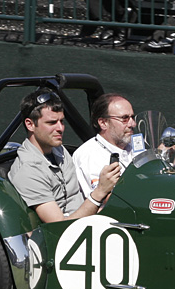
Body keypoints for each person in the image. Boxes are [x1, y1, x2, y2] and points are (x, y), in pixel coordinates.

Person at [8, 90, 121, 222]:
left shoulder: (59, 150)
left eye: (62, 121)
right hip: (65, 236)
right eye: (51, 123)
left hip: (86, 223)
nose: (60, 128)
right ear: (30, 124)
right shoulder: (27, 170)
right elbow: (59, 227)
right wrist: (100, 191)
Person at [74, 94, 137, 198]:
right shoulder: (89, 155)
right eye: (124, 118)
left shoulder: (134, 146)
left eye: (132, 117)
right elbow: (104, 199)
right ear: (103, 123)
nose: (132, 124)